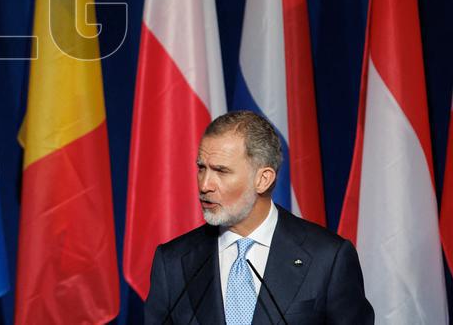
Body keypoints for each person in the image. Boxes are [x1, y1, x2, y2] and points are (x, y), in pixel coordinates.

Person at [144, 111, 374, 324]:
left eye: (221, 171)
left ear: (263, 179)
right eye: (202, 168)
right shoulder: (172, 261)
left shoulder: (328, 258)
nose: (204, 185)